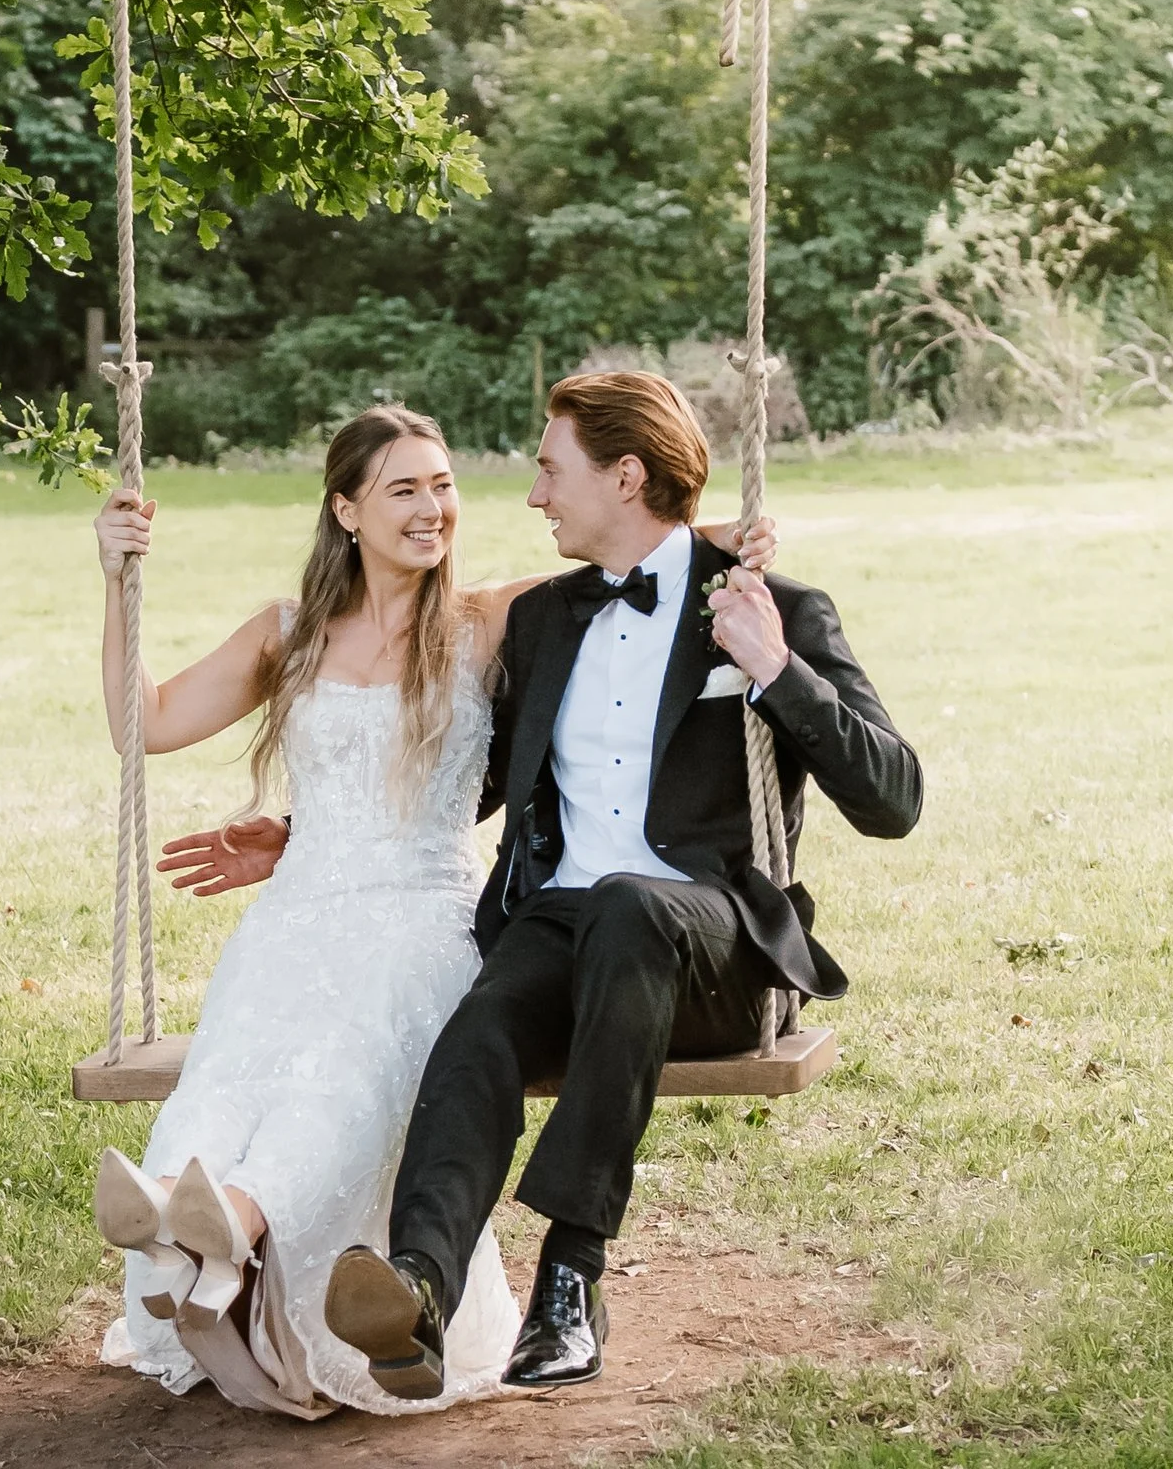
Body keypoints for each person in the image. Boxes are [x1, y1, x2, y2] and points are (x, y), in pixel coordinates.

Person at [89, 401, 774, 1420]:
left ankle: (229, 1222)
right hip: (298, 917)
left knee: (346, 1066)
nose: (432, 508)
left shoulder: (487, 620)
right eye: (404, 489)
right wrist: (116, 580)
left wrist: (737, 538)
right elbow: (143, 724)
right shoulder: (287, 634)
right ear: (346, 510)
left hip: (427, 917)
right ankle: (185, 1229)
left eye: (443, 485)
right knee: (236, 1071)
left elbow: (642, 556)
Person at [320, 366, 924, 1400]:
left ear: (626, 476)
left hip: (712, 949)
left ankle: (572, 1274)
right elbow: (473, 782)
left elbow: (893, 799)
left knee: (629, 907)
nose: (534, 496)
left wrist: (778, 671)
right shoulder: (548, 620)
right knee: (481, 1026)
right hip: (559, 929)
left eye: (551, 470)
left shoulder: (767, 609)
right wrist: (299, 832)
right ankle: (419, 1287)